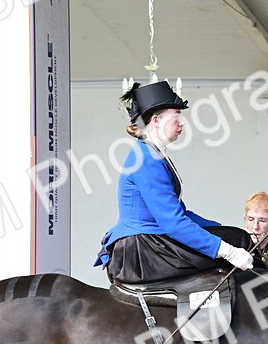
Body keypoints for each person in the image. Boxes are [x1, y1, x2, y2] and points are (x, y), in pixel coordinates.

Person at [95, 80, 253, 283]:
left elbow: (180, 214)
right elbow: (173, 223)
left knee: (237, 236)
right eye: (175, 117)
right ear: (156, 120)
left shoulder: (152, 153)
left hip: (151, 239)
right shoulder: (146, 159)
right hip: (140, 251)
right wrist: (228, 251)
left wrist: (222, 230)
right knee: (233, 243)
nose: (182, 123)